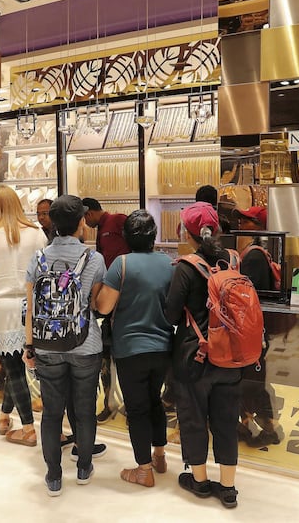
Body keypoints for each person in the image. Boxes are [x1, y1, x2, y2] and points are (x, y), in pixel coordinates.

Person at [23, 195, 106, 497]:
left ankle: (53, 476)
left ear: (53, 223)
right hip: (85, 344)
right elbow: (95, 305)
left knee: (51, 413)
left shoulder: (38, 258)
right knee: (84, 410)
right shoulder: (94, 259)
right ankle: (84, 467)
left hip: (46, 345)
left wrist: (30, 346)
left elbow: (30, 306)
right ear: (81, 222)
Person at [164, 201, 243, 509]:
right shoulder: (235, 260)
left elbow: (171, 314)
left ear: (187, 231)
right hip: (232, 356)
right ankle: (228, 487)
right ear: (217, 229)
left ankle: (198, 480)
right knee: (226, 419)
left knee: (194, 417)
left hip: (194, 356)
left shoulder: (186, 267)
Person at [95, 210, 174, 488]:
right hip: (164, 346)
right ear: (154, 236)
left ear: (126, 237)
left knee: (137, 409)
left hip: (130, 348)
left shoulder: (121, 264)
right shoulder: (168, 263)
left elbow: (103, 307)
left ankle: (143, 470)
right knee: (154, 401)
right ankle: (160, 456)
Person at [0, 186, 47, 445]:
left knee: (13, 367)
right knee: (16, 364)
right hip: (32, 305)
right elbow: (44, 269)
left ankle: (28, 428)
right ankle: (5, 415)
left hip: (1, 307)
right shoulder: (37, 233)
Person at [233, 205, 284, 447]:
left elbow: (244, 295)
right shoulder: (258, 252)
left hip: (250, 332)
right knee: (252, 381)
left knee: (253, 382)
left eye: (248, 220)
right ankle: (247, 424)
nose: (242, 223)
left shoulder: (253, 255)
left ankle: (270, 428)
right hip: (256, 331)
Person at [82, 197, 129, 423]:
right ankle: (110, 402)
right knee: (106, 354)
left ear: (89, 212)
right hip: (109, 299)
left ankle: (128, 404)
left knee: (125, 355)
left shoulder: (118, 220)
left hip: (126, 297)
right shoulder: (101, 230)